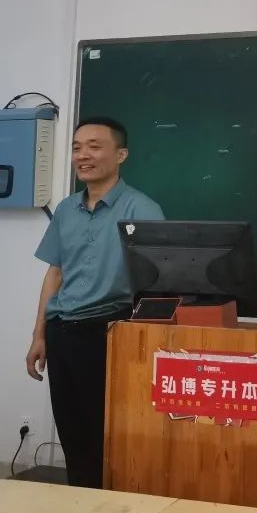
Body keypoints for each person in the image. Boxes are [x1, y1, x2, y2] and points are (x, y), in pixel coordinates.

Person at [25, 117, 164, 488]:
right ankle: (78, 505)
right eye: (76, 148)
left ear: (121, 155)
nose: (82, 155)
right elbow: (55, 273)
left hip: (110, 333)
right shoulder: (66, 209)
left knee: (106, 437)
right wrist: (39, 334)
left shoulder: (142, 209)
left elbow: (159, 282)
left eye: (94, 146)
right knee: (72, 435)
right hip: (62, 333)